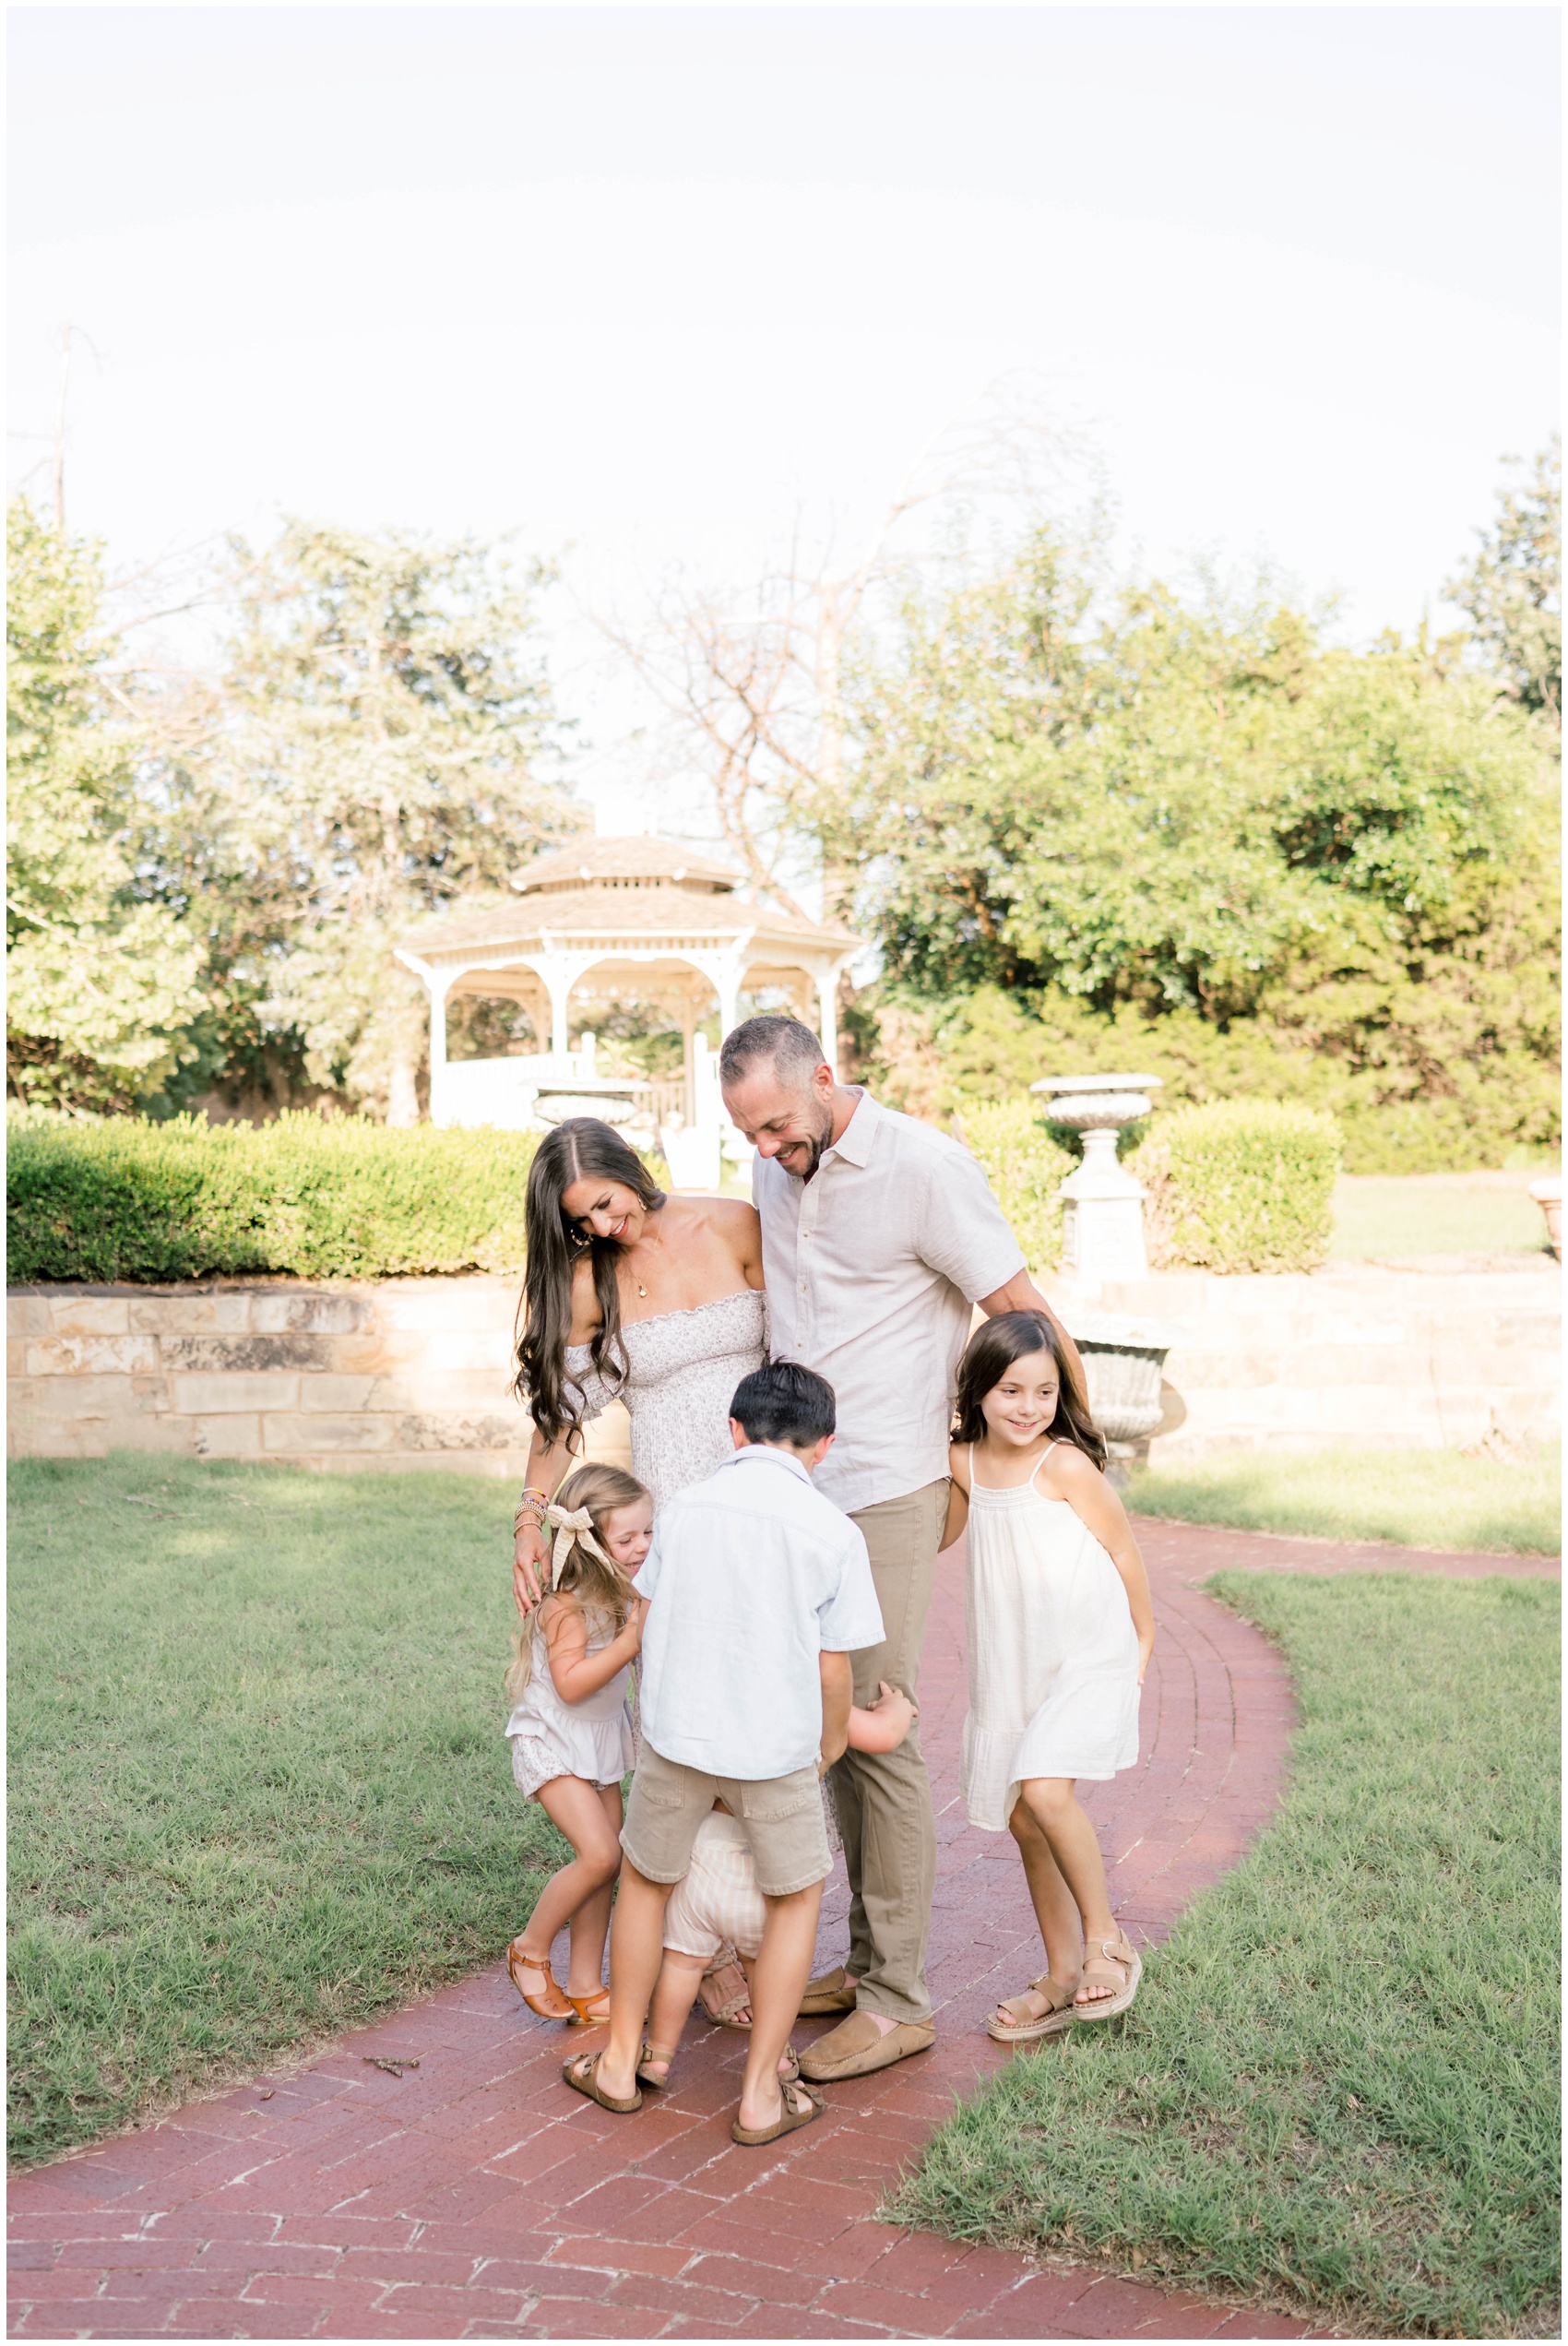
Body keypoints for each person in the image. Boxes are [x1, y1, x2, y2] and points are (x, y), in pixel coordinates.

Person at [719, 1014, 1087, 2083]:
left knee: (879, 1728)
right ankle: (865, 1958)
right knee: (828, 1720)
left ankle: (897, 2001)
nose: (765, 1149)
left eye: (778, 1124)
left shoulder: (923, 1165)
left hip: (886, 1484)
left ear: (825, 1080)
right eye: (746, 1132)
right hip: (796, 1485)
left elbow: (1018, 1308)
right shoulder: (780, 1173)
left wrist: (1057, 1453)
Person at [561, 1361, 885, 2145]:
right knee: (794, 1901)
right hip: (774, 1750)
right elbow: (834, 1664)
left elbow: (652, 1607)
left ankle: (617, 2064)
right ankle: (760, 2097)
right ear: (824, 1446)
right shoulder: (834, 1532)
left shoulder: (686, 1511)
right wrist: (833, 1740)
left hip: (678, 1738)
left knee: (645, 1884)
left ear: (733, 1430)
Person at [510, 1114, 766, 2028]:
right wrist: (530, 1520)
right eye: (584, 1222)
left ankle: (752, 1926)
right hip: (671, 1534)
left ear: (632, 1170)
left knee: (766, 1726)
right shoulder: (592, 1283)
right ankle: (711, 1955)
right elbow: (560, 1420)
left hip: (762, 1512)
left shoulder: (737, 1223)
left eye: (608, 1205)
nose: (606, 1229)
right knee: (683, 1735)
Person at [944, 1311, 1156, 2041]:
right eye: (1009, 1390)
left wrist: (1145, 1635)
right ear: (976, 1391)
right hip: (1013, 1660)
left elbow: (1123, 1550)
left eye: (1043, 1391)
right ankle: (1062, 1974)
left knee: (1044, 1787)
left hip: (1086, 1651)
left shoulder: (1063, 1463)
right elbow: (937, 1536)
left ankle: (1107, 1939)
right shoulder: (962, 1462)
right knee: (1023, 1817)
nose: (1028, 1407)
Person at [639, 1681, 918, 2086]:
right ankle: (777, 2059)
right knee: (767, 1968)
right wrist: (896, 1708)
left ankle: (658, 2056)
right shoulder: (798, 1695)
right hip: (760, 1875)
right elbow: (880, 1735)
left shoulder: (707, 1695)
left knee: (681, 1962)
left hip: (699, 1863)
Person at [503, 1464, 651, 2027]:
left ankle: (588, 1984)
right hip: (553, 1740)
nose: (641, 1548)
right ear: (590, 1544)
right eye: (627, 1538)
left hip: (600, 1740)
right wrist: (632, 1639)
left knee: (606, 1865)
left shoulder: (625, 1586)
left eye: (647, 1533)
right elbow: (569, 1686)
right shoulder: (565, 1606)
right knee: (600, 1853)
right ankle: (531, 1949)